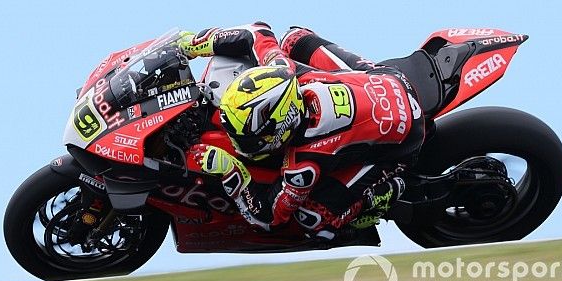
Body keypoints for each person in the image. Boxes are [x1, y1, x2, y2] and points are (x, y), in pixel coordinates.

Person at [177, 22, 425, 239]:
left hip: (405, 139)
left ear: (281, 129)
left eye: (249, 141)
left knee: (313, 221)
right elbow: (255, 33)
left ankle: (388, 191)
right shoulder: (282, 70)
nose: (239, 144)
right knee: (293, 37)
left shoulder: (302, 163)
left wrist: (231, 169)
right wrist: (194, 45)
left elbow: (269, 217)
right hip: (388, 78)